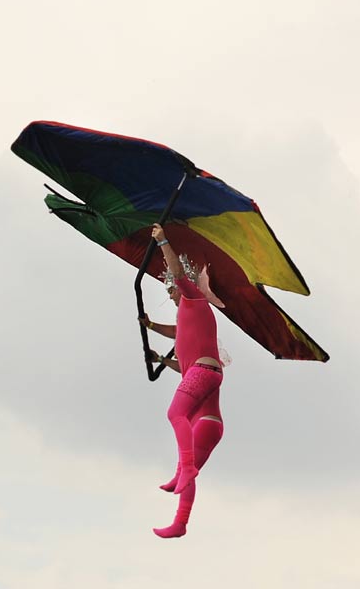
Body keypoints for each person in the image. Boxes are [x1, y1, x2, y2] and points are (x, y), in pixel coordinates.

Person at [140, 223, 224, 539]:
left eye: (171, 289)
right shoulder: (187, 315)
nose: (171, 293)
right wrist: (154, 337)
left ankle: (185, 468)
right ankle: (181, 523)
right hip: (209, 418)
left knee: (174, 414)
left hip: (204, 373)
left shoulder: (194, 298)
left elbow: (176, 273)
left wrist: (163, 241)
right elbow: (178, 337)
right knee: (187, 470)